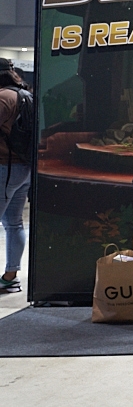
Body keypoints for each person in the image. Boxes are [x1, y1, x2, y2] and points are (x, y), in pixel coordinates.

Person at [0, 59, 31, 294]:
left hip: (5, 168)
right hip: (23, 168)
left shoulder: (3, 97)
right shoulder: (25, 94)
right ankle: (11, 277)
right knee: (14, 223)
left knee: (12, 223)